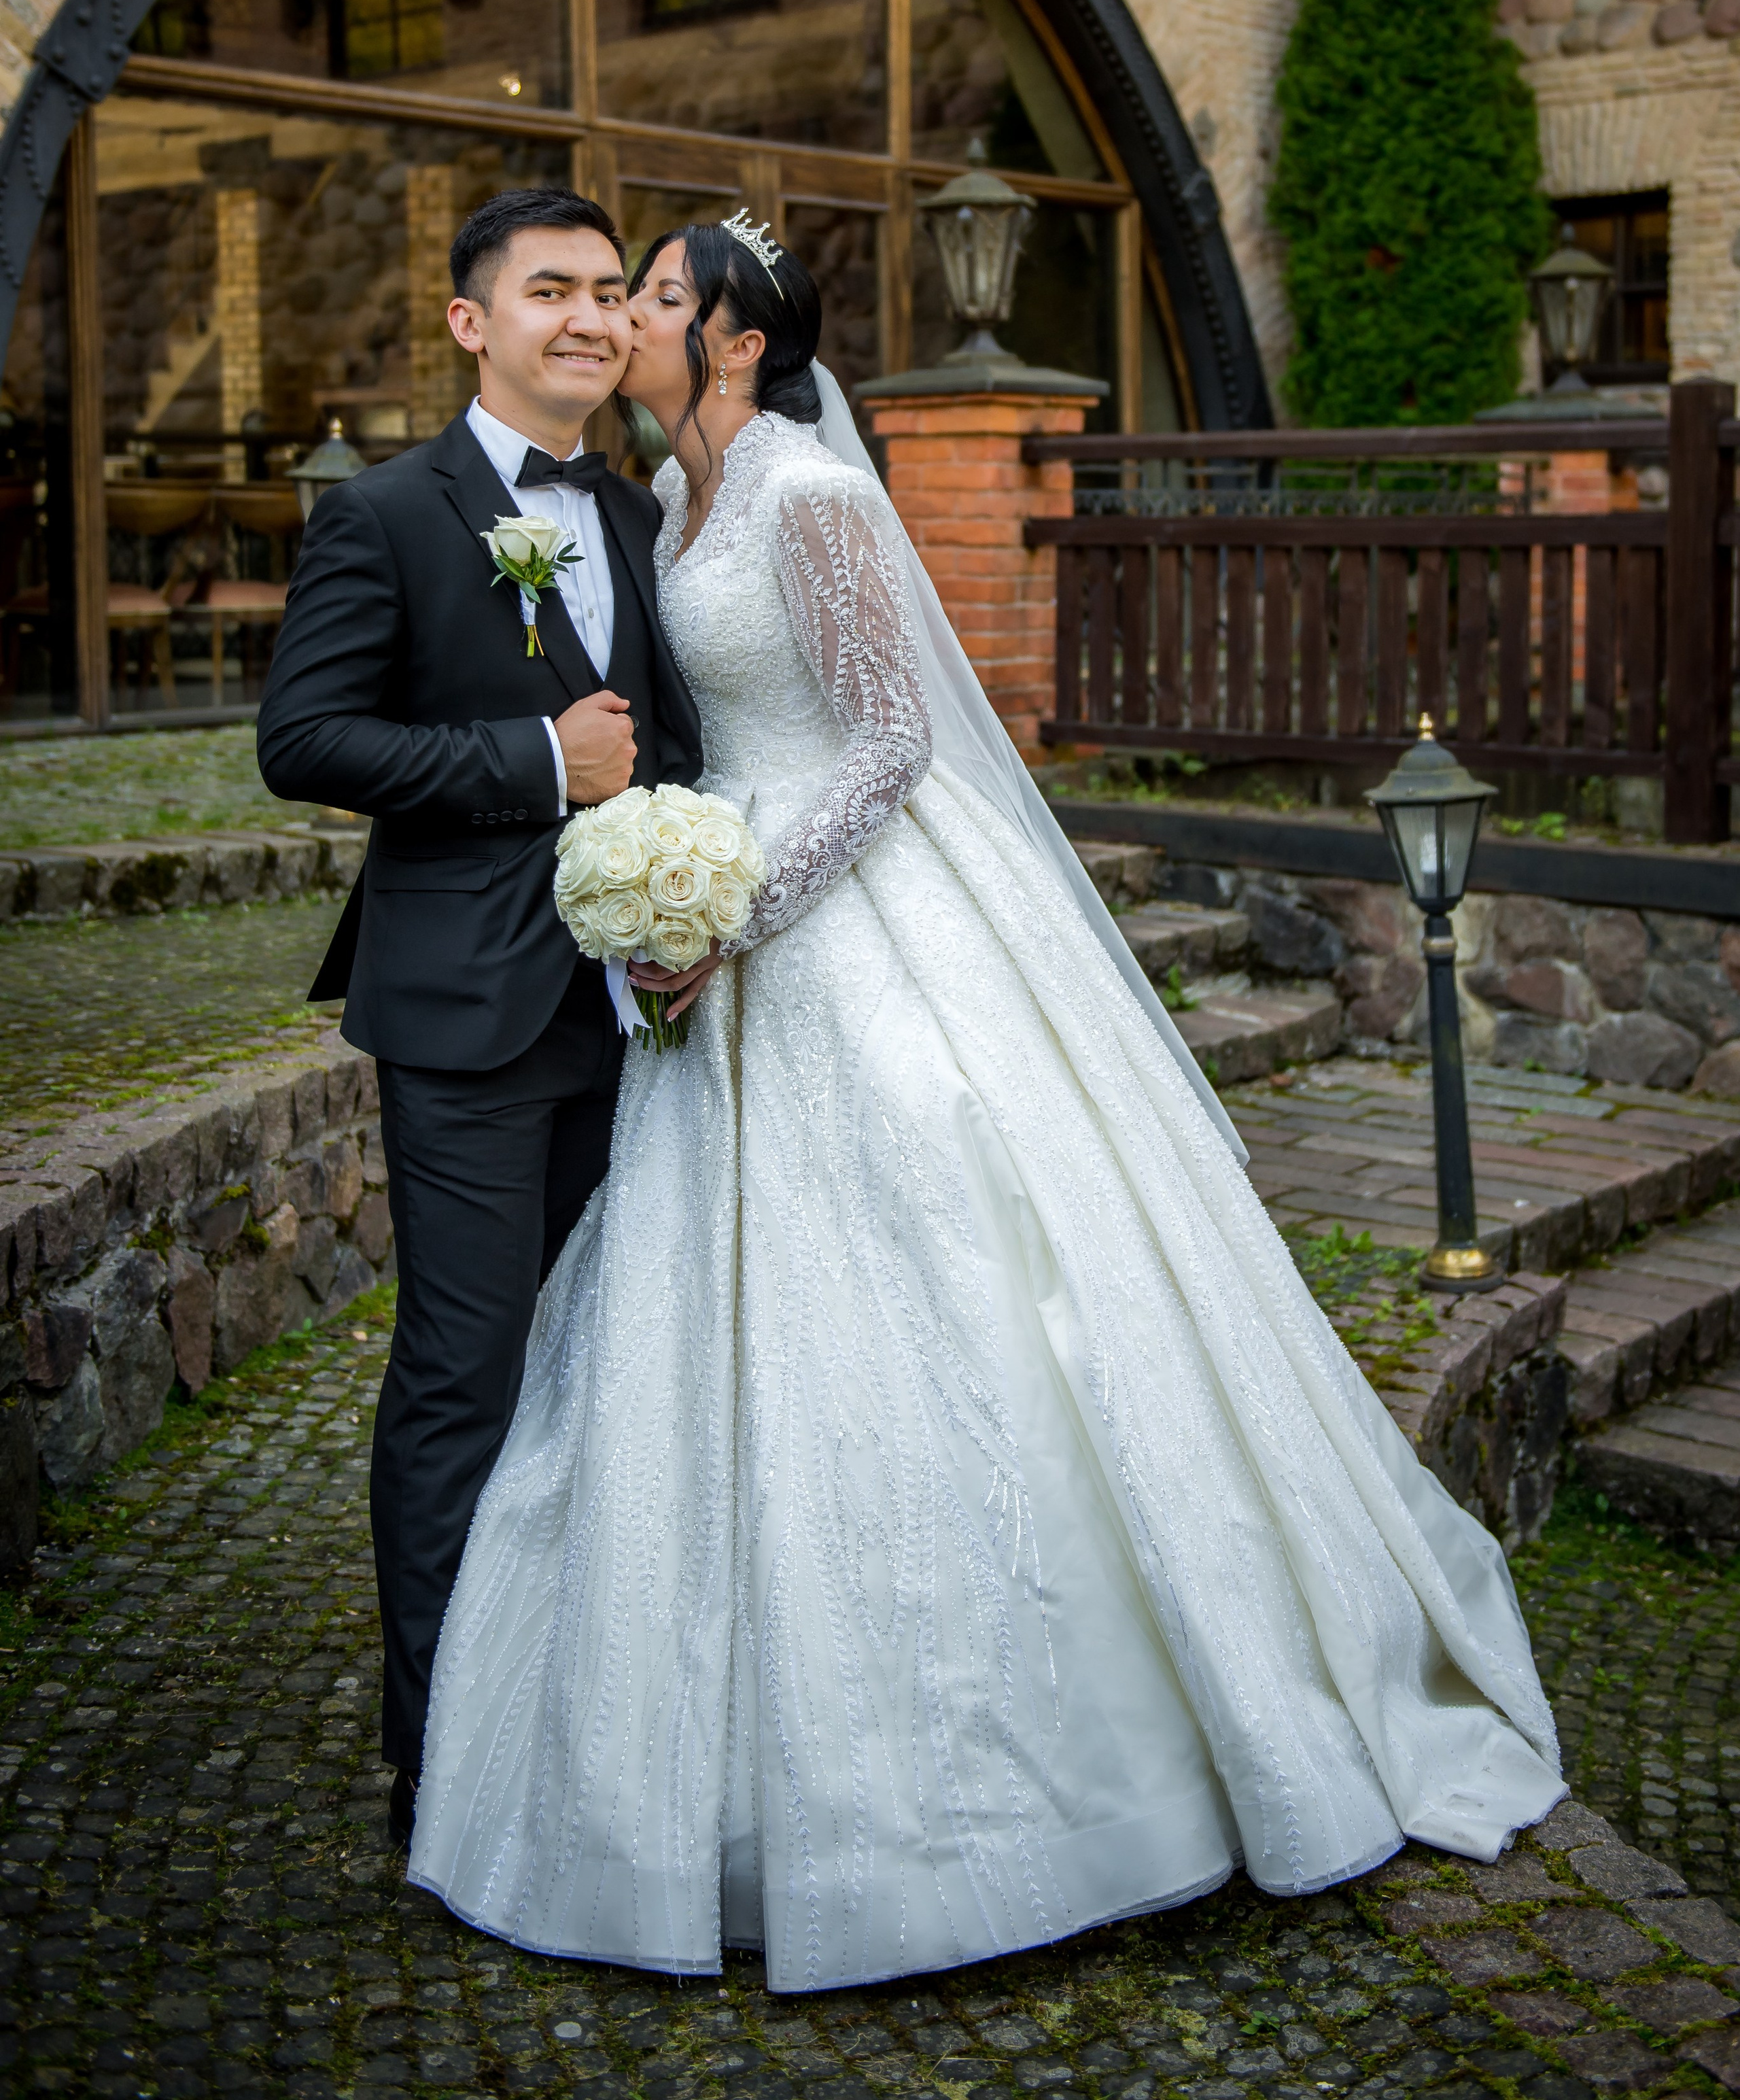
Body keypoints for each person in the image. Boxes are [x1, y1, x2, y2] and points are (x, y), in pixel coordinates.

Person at [407, 214, 1565, 1992]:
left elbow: (889, 738)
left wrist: (735, 904)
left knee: (965, 1266)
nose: (625, 320)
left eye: (652, 294)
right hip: (731, 928)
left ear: (728, 337)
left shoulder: (808, 490)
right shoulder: (669, 502)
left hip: (861, 913)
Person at [256, 188, 703, 1849]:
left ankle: (581, 1711)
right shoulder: (387, 511)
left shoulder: (645, 515)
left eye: (607, 292)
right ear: (472, 323)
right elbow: (303, 741)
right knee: (464, 1373)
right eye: (548, 293)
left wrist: (695, 898)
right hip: (466, 1012)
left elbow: (672, 737)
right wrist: (532, 764)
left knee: (607, 1364)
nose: (586, 318)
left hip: (642, 1014)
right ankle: (440, 1759)